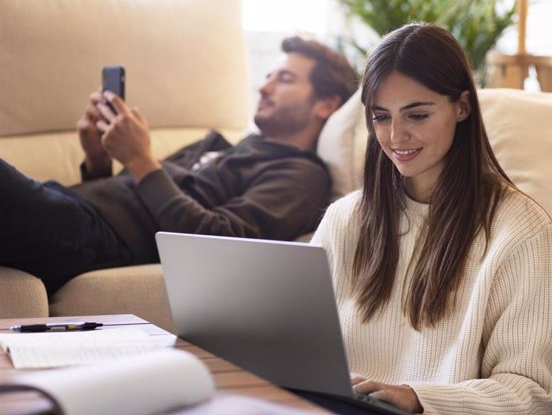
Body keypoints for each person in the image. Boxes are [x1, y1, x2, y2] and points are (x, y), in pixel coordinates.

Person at [310, 24, 552, 415]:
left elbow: (527, 393)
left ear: (462, 107)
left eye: (418, 114)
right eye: (381, 116)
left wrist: (416, 398)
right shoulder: (345, 218)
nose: (395, 136)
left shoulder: (521, 230)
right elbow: (297, 347)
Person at [0, 36, 358, 294]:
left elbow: (219, 243)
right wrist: (98, 160)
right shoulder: (222, 146)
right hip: (68, 206)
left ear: (325, 104)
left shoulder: (301, 174)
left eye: (285, 79)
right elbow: (136, 193)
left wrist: (140, 159)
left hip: (88, 233)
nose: (264, 88)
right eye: (267, 76)